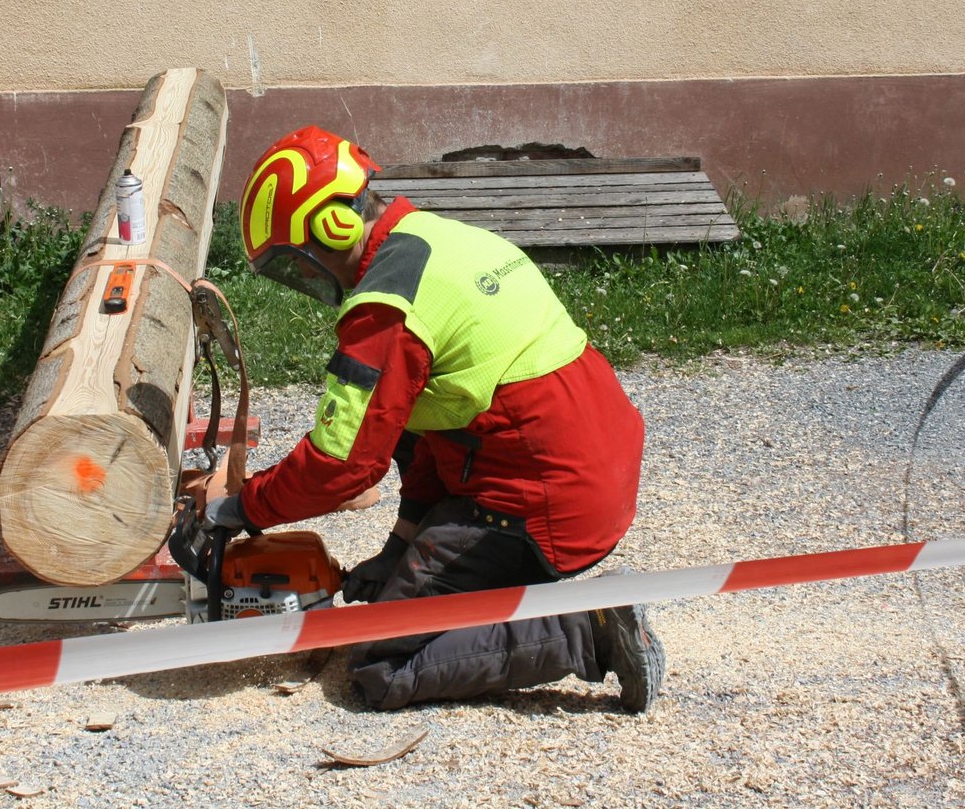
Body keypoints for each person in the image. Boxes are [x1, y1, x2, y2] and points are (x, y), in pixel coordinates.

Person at [208, 126, 663, 712]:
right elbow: (420, 433)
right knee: (400, 459)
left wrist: (244, 506)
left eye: (298, 265)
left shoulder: (388, 305)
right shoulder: (438, 237)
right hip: (588, 469)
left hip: (540, 504)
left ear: (333, 226)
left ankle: (590, 627)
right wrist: (401, 545)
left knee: (379, 664)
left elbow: (342, 464)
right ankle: (521, 596)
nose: (308, 280)